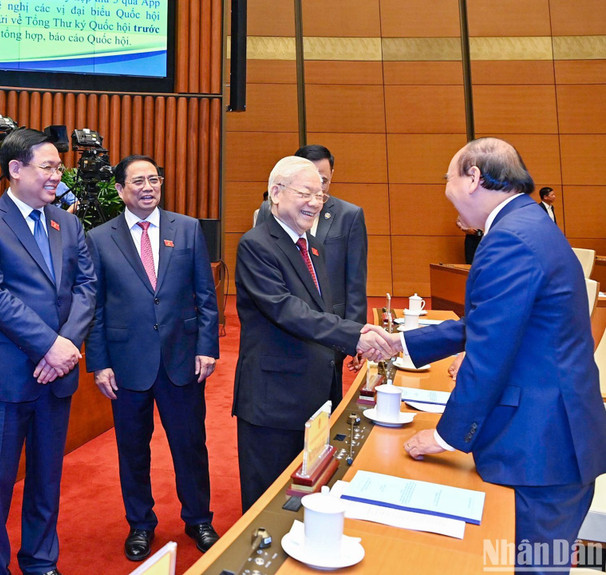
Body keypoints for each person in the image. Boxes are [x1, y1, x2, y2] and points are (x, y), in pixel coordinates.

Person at [393, 138, 606, 574]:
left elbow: (489, 353)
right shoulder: (528, 223)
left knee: (529, 566)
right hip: (554, 437)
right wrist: (405, 344)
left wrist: (446, 437)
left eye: (448, 178)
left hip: (542, 448)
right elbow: (493, 323)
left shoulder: (509, 239)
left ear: (473, 178)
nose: (446, 188)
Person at [0, 128, 96, 575]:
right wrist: (48, 344)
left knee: (46, 480)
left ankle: (40, 561)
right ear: (15, 170)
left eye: (60, 167)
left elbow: (87, 288)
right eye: (49, 167)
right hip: (2, 376)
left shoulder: (68, 222)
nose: (58, 175)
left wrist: (67, 345)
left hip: (56, 376)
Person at [234, 156, 397, 511]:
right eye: (305, 193)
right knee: (270, 501)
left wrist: (355, 330)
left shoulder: (312, 246)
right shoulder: (257, 245)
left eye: (320, 195)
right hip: (273, 400)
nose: (315, 202)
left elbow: (324, 310)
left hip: (314, 392)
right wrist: (354, 336)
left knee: (310, 489)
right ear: (276, 194)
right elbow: (288, 311)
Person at [85, 155, 220, 562]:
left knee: (191, 445)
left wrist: (207, 346)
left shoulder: (189, 229)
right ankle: (140, 524)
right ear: (121, 190)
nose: (148, 187)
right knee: (132, 448)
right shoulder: (100, 238)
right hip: (126, 363)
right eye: (138, 181)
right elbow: (95, 306)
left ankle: (198, 518)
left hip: (182, 357)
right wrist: (99, 361)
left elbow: (206, 296)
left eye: (154, 180)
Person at [256, 145, 368, 387]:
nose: (315, 197)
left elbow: (355, 281)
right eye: (306, 185)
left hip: (333, 330)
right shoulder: (268, 214)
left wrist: (355, 333)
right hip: (283, 331)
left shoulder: (349, 215)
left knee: (327, 401)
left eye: (323, 182)